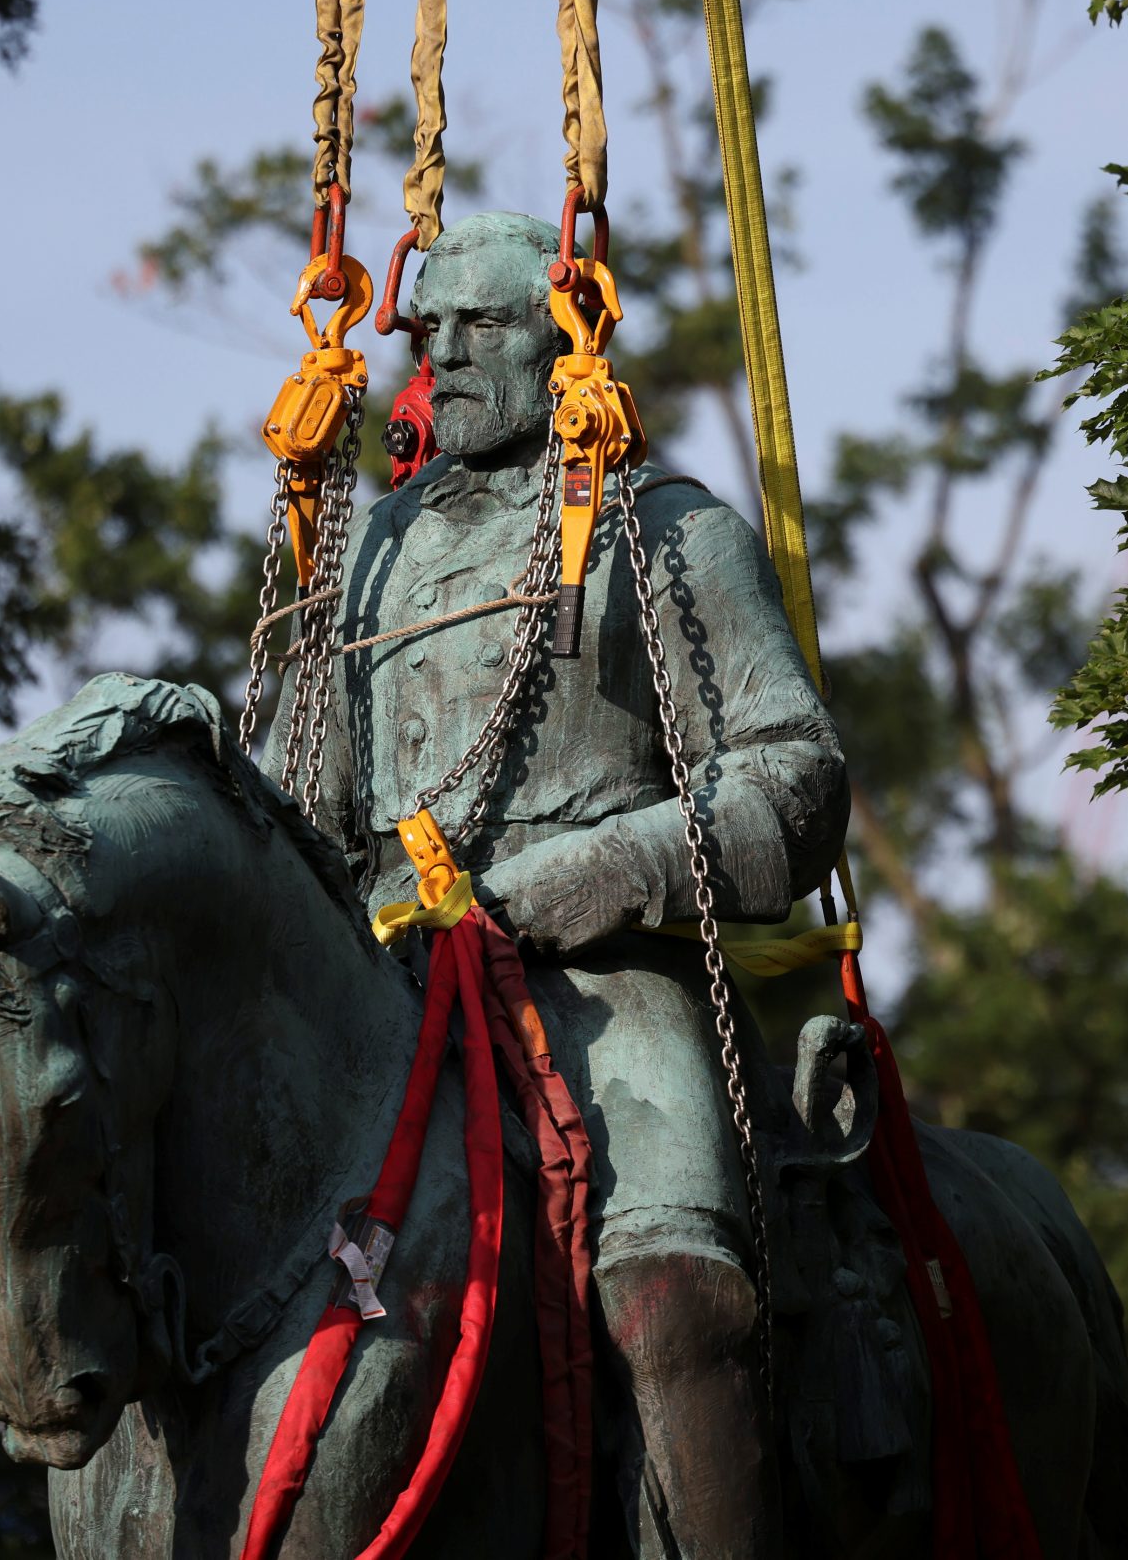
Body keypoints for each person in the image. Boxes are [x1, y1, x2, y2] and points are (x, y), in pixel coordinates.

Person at [281, 209, 847, 1556]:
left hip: (606, 991)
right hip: (391, 1006)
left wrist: (600, 868)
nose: (446, 353)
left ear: (566, 335)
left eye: (485, 325)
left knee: (670, 1296)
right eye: (433, 328)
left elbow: (796, 780)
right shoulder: (368, 553)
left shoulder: (665, 532)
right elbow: (293, 809)